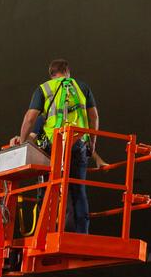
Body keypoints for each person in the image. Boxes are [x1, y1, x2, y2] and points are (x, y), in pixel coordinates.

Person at [12, 59, 107, 234]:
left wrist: (23, 142)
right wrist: (92, 142)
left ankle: (47, 232)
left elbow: (30, 119)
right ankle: (80, 234)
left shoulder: (44, 89)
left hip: (53, 147)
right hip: (78, 144)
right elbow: (94, 117)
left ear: (51, 74)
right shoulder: (82, 87)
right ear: (67, 71)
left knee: (49, 188)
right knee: (77, 188)